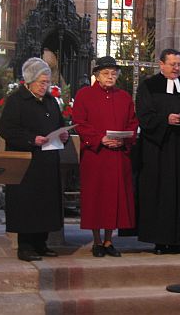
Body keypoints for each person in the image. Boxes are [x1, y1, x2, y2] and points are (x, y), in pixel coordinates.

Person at [0, 57, 69, 262]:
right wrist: (32, 139)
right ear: (29, 81)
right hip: (27, 162)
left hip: (47, 161)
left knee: (45, 203)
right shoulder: (16, 101)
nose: (45, 86)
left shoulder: (51, 102)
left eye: (47, 82)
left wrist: (63, 136)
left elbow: (60, 124)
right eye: (41, 82)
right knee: (27, 204)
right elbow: (7, 130)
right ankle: (26, 245)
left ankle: (41, 243)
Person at [135, 48, 180, 254]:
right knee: (160, 193)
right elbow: (144, 115)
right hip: (159, 149)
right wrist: (166, 119)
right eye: (172, 64)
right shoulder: (149, 86)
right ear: (161, 64)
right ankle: (160, 240)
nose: (176, 68)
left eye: (178, 64)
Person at [72, 56, 138, 257]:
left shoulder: (124, 97)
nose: (110, 77)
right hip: (96, 156)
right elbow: (79, 122)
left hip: (118, 156)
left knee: (114, 199)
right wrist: (99, 139)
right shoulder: (84, 95)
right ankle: (97, 241)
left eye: (113, 73)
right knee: (96, 198)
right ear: (97, 76)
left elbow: (133, 123)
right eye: (105, 73)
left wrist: (124, 140)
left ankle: (109, 241)